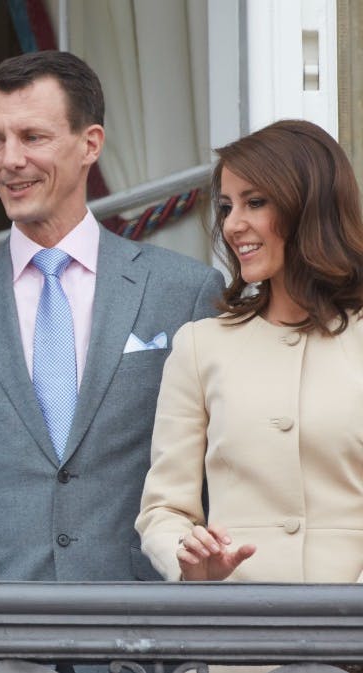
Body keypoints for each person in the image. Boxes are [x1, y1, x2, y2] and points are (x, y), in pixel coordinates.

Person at [0, 50, 223, 584]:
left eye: (32, 137)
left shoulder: (184, 292)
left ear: (90, 143)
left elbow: (215, 468)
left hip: (141, 626)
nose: (9, 160)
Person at [136, 119, 363, 583]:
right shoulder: (200, 346)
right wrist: (190, 558)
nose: (233, 224)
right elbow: (163, 509)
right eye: (226, 206)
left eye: (255, 202)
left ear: (311, 206)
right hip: (242, 643)